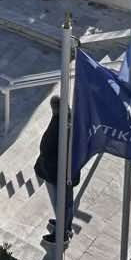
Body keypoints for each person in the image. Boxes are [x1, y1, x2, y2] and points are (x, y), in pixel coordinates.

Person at [34, 93, 82, 246]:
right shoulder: (73, 121)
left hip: (56, 172)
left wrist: (42, 163)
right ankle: (66, 226)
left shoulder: (58, 124)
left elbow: (46, 147)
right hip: (70, 172)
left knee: (59, 203)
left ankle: (61, 234)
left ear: (55, 109)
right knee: (67, 202)